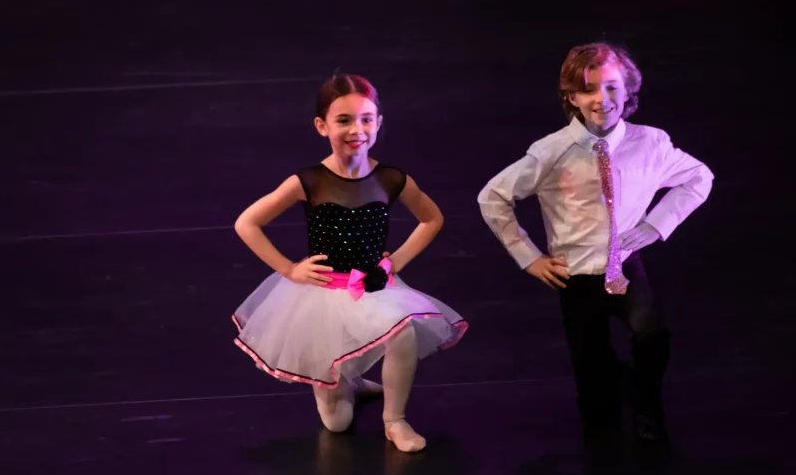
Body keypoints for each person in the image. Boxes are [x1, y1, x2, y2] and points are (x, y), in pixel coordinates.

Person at [478, 42, 713, 445]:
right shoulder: (552, 151)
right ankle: (603, 430)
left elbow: (699, 177)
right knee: (591, 363)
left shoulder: (650, 143)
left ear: (627, 91)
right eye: (588, 90)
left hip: (625, 263)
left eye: (611, 88)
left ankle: (646, 405)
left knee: (652, 333)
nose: (601, 100)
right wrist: (529, 257)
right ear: (572, 97)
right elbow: (493, 196)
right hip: (576, 273)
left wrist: (656, 225)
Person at [233, 73, 468, 452]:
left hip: (374, 285)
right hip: (324, 291)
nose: (356, 129)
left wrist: (396, 263)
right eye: (343, 120)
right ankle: (348, 382)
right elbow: (247, 223)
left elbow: (432, 219)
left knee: (404, 330)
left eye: (366, 119)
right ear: (322, 125)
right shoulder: (308, 181)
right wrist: (290, 269)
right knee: (338, 425)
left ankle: (395, 419)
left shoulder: (391, 179)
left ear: (378, 123)